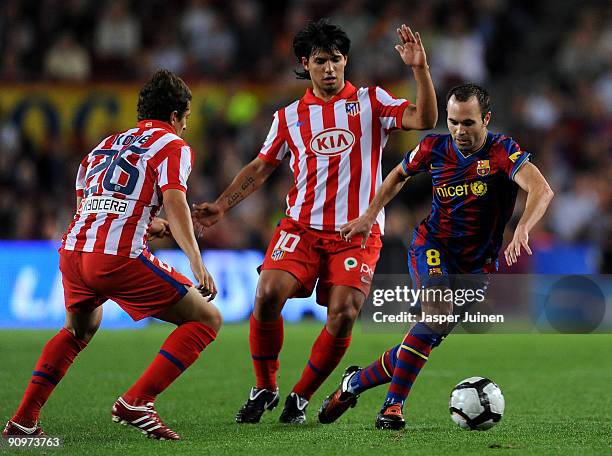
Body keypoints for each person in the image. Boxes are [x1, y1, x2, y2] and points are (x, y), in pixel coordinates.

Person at [193, 19, 437, 424]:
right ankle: (264, 386)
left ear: (346, 61)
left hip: (356, 230)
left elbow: (424, 118)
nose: (329, 68)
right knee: (267, 294)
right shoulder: (289, 117)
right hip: (301, 228)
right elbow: (260, 167)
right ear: (305, 64)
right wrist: (222, 205)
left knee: (343, 312)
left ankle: (300, 397)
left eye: (336, 60)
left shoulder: (371, 102)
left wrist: (419, 69)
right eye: (321, 60)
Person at [318, 83, 554, 430]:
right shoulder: (433, 147)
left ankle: (352, 384)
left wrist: (523, 227)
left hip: (477, 265)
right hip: (433, 247)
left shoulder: (503, 151)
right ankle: (392, 407)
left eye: (469, 123)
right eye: (453, 121)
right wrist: (370, 215)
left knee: (426, 335)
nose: (459, 130)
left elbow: (541, 189)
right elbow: (398, 174)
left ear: (486, 119)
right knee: (436, 315)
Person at [3, 69, 221, 441]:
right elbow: (174, 199)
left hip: (73, 251)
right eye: (185, 119)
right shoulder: (172, 145)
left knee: (78, 330)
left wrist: (151, 224)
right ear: (175, 116)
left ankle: (23, 421)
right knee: (206, 319)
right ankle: (138, 401)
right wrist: (197, 263)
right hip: (116, 256)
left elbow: (90, 205)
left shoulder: (104, 145)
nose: (184, 128)